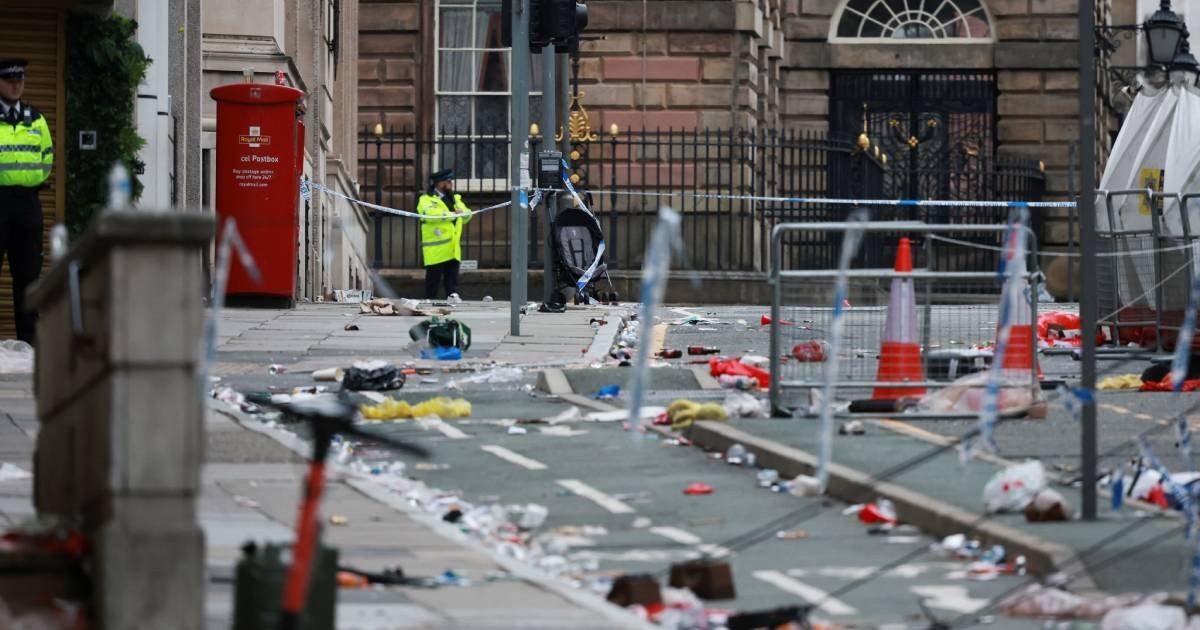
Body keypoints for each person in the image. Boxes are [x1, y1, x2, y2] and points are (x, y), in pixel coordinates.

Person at [0, 59, 53, 345]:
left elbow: (47, 158)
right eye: (9, 80)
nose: (15, 84)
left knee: (28, 273)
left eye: (19, 79)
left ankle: (28, 340)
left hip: (28, 202)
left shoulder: (36, 118)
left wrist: (28, 180)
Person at [417, 169, 472, 301]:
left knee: (452, 280)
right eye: (448, 181)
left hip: (452, 247)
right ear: (439, 183)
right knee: (433, 280)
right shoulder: (426, 199)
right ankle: (429, 301)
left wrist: (462, 212)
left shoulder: (454, 199)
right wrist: (452, 214)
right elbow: (430, 215)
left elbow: (467, 215)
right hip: (436, 249)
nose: (450, 183)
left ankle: (452, 297)